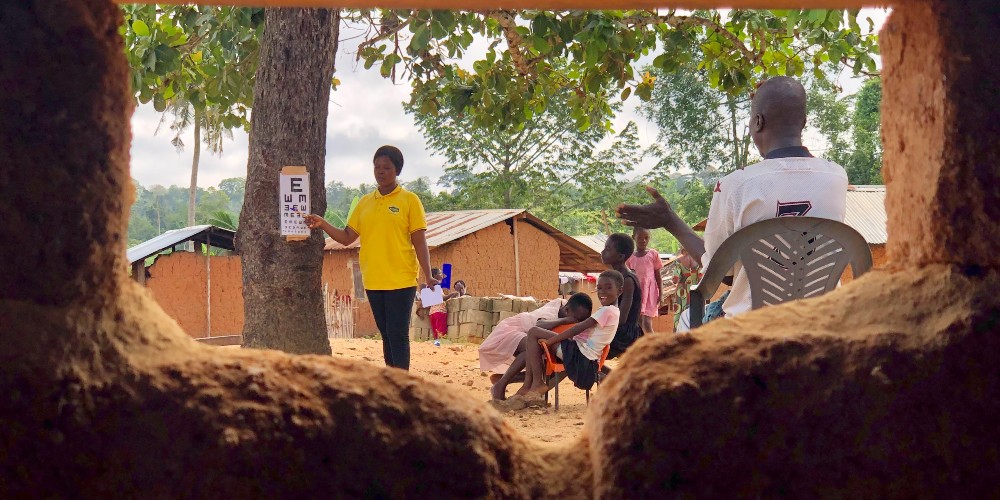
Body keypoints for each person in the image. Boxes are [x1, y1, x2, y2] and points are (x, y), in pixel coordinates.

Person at [617, 77, 848, 332]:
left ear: (758, 122)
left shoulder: (736, 185)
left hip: (751, 331)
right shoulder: (837, 177)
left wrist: (670, 220)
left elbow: (720, 274)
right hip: (824, 325)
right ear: (803, 123)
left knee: (685, 321)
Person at [305, 145, 436, 370]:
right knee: (386, 334)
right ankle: (391, 381)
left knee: (398, 334)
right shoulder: (365, 203)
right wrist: (323, 223)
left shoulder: (409, 200)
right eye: (377, 167)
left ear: (397, 170)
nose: (380, 171)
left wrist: (428, 273)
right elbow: (347, 237)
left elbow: (419, 240)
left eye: (386, 167)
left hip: (401, 279)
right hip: (374, 280)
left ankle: (403, 387)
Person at [508, 270, 623, 405]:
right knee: (536, 341)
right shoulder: (614, 312)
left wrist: (550, 341)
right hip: (585, 358)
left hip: (578, 356)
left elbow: (576, 329)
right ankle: (529, 385)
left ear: (620, 291)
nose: (602, 292)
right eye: (599, 288)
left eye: (608, 287)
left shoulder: (606, 311)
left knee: (533, 332)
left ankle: (536, 383)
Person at [483, 292, 593, 396]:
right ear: (567, 310)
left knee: (541, 358)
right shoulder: (551, 311)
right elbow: (539, 325)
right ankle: (507, 385)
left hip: (529, 336)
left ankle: (504, 382)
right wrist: (565, 320)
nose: (578, 323)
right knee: (534, 348)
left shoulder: (568, 308)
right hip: (511, 330)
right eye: (577, 319)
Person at [603, 233, 642, 359]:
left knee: (583, 345)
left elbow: (622, 318)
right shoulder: (615, 277)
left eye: (608, 249)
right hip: (616, 329)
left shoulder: (628, 280)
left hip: (624, 334)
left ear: (620, 257)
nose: (603, 252)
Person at [626, 227, 663, 335]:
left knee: (646, 322)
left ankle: (655, 345)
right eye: (640, 237)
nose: (643, 240)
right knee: (638, 321)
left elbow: (658, 275)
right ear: (634, 237)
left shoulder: (653, 254)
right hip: (637, 292)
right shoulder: (630, 257)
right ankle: (643, 344)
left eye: (646, 238)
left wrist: (661, 293)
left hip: (650, 292)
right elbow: (628, 276)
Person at [670, 247, 701, 332]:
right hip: (695, 291)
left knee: (679, 313)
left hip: (682, 291)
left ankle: (678, 333)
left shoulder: (679, 261)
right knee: (695, 312)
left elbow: (675, 279)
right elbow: (701, 277)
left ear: (682, 251)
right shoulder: (699, 261)